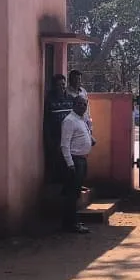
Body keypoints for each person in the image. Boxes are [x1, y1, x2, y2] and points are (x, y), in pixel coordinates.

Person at [60, 98, 93, 234]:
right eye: (79, 104)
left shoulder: (81, 119)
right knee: (72, 194)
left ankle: (72, 221)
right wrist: (70, 164)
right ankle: (71, 224)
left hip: (82, 160)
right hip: (74, 161)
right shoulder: (69, 121)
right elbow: (64, 144)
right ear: (73, 105)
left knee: (76, 193)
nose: (82, 107)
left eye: (84, 104)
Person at [44, 74, 75, 184]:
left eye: (63, 85)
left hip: (71, 138)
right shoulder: (49, 101)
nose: (61, 87)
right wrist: (49, 140)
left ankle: (71, 186)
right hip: (56, 137)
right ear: (54, 87)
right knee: (58, 164)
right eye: (58, 85)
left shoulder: (71, 99)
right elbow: (47, 121)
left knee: (72, 163)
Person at [67, 69, 95, 144]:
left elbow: (87, 110)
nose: (77, 81)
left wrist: (90, 127)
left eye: (79, 79)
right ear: (70, 80)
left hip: (84, 125)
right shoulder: (66, 92)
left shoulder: (83, 92)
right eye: (75, 79)